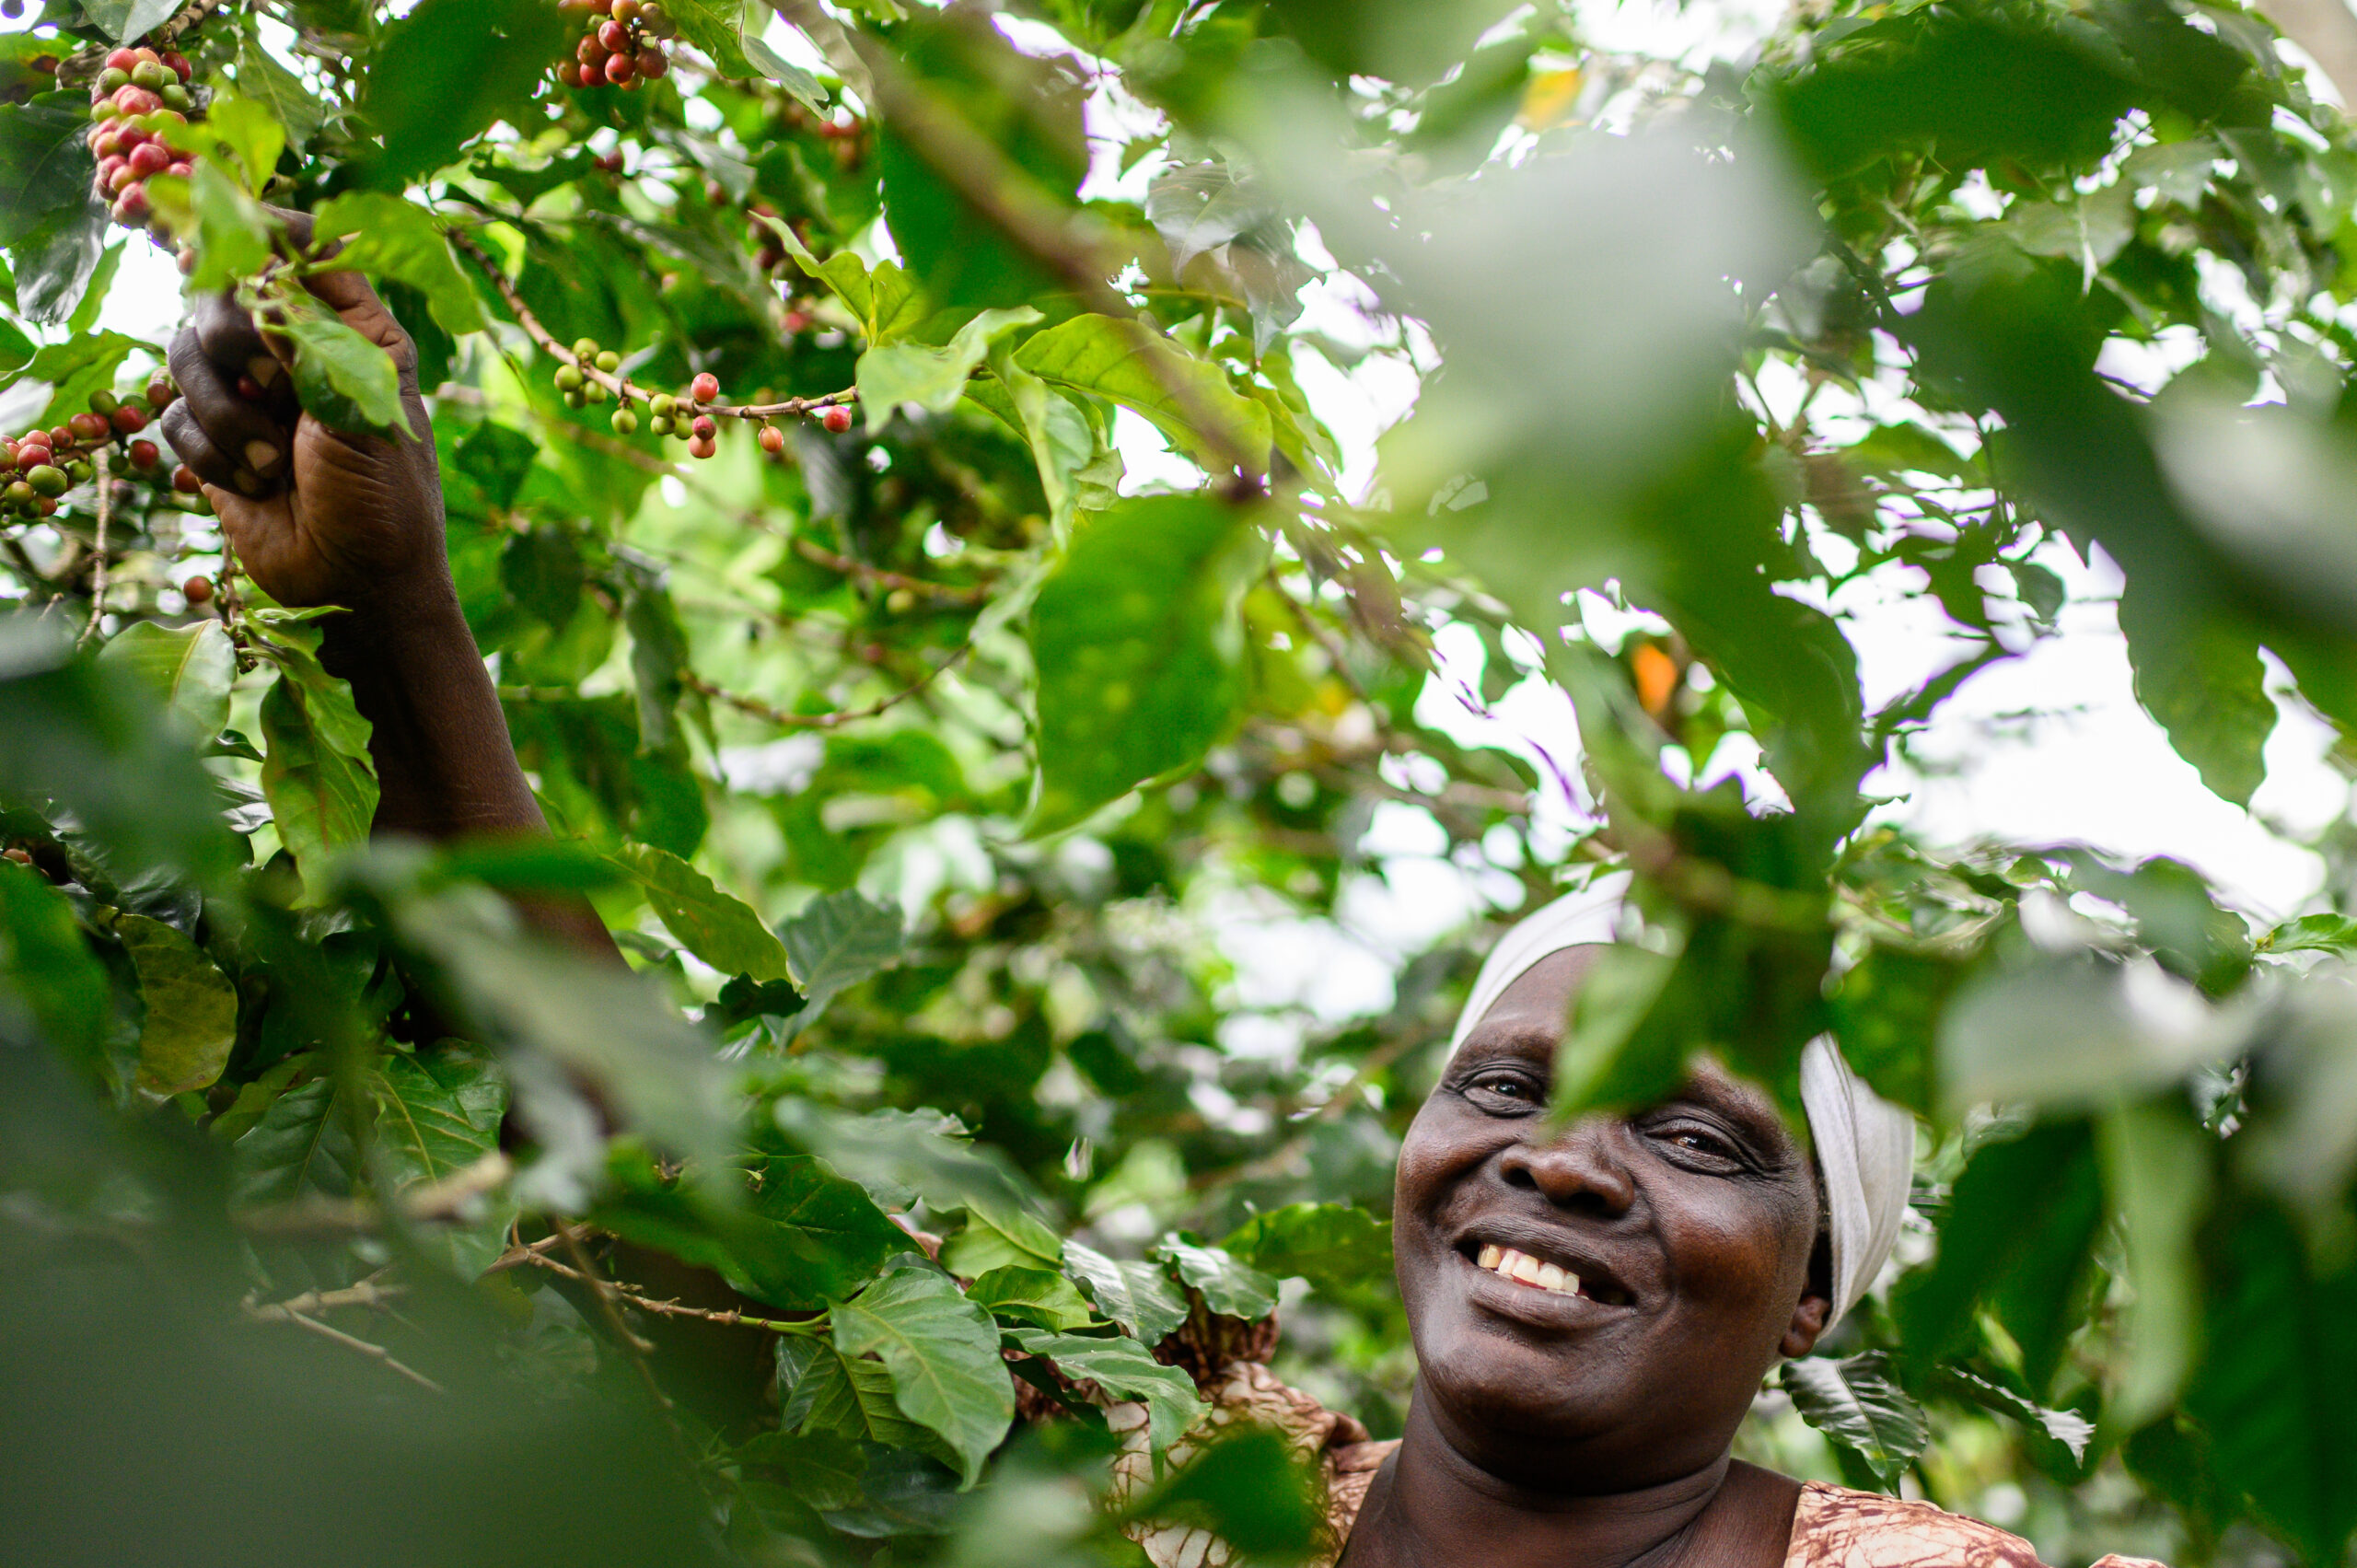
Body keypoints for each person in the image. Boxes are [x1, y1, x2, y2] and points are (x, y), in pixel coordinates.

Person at [165, 268, 2164, 1568]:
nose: (1555, 1159)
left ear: (1814, 1290)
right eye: (1507, 1085)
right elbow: (666, 1213)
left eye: (1698, 1134)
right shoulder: (1175, 1484)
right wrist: (389, 607)